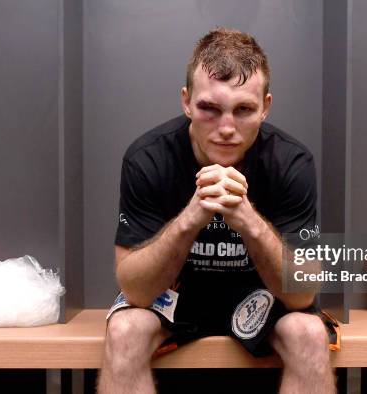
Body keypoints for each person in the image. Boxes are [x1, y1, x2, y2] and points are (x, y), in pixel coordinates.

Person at [97, 27, 337, 394]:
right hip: (174, 296)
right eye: (209, 109)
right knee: (125, 329)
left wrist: (250, 222)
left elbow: (302, 294)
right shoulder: (149, 157)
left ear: (265, 108)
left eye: (243, 110)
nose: (227, 129)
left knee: (308, 332)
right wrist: (191, 217)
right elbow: (135, 291)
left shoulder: (290, 161)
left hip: (259, 296)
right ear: (186, 102)